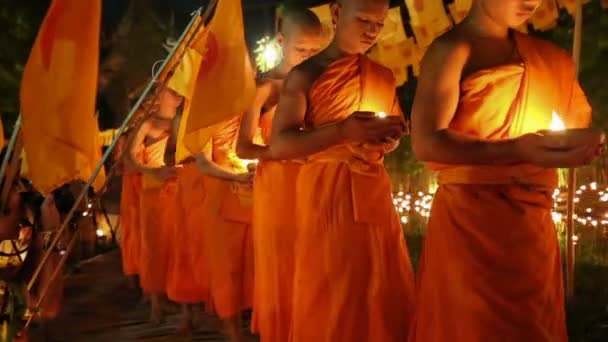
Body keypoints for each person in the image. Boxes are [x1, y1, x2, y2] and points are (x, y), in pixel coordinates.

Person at [408, 1, 605, 341]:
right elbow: (426, 143)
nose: (531, 2)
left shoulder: (546, 58)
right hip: (470, 226)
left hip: (531, 229)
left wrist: (578, 146)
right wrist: (517, 149)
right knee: (473, 328)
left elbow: (565, 126)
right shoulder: (453, 50)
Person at [268, 0, 415, 340]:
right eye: (363, 19)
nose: (371, 30)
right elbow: (280, 144)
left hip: (373, 189)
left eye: (378, 23)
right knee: (334, 285)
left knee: (381, 281)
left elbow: (392, 133)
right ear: (336, 13)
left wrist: (386, 137)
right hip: (326, 195)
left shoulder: (382, 75)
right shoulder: (306, 75)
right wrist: (343, 133)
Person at [235, 6, 323, 342]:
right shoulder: (265, 87)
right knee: (285, 264)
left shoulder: (322, 81)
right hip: (279, 187)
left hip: (317, 182)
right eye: (302, 49)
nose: (309, 57)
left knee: (317, 265)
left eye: (316, 50)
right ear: (281, 41)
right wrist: (285, 152)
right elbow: (244, 148)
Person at [124, 86, 182, 323]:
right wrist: (151, 171)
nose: (177, 95)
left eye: (177, 90)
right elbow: (130, 157)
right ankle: (155, 301)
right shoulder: (148, 123)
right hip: (153, 190)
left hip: (178, 189)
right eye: (170, 90)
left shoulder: (182, 121)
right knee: (155, 246)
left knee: (175, 244)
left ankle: (172, 294)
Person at [195, 116, 254, 342]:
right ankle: (232, 329)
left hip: (251, 194)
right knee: (226, 266)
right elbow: (203, 163)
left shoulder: (251, 112)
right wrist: (235, 176)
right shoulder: (206, 115)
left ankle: (254, 318)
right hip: (221, 197)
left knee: (252, 261)